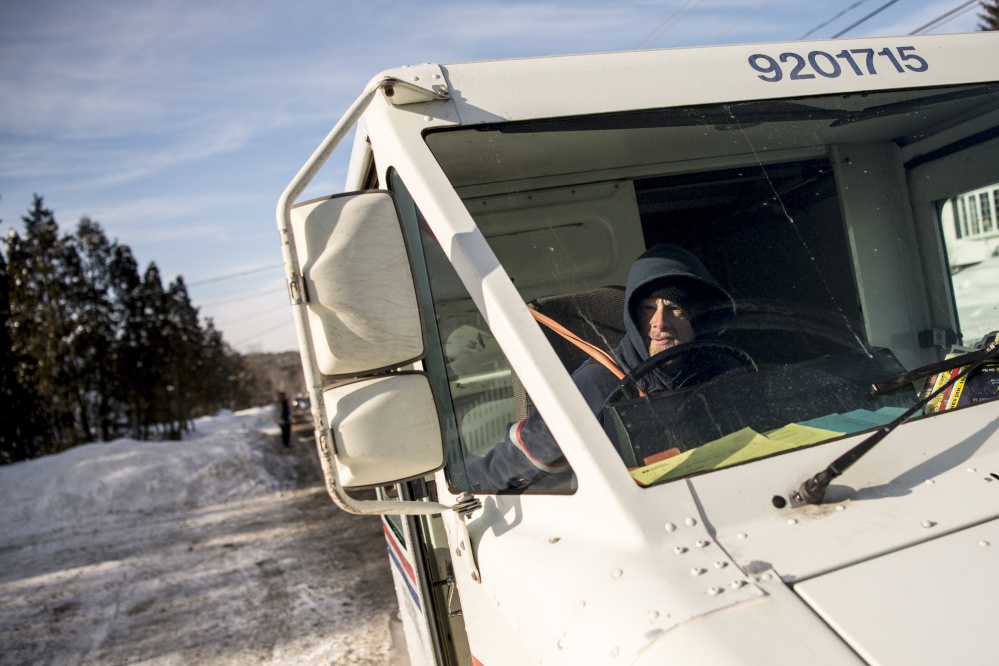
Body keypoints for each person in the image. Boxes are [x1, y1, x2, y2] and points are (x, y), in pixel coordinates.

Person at [466, 243, 739, 490]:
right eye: (647, 309)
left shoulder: (723, 368)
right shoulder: (597, 381)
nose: (659, 323)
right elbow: (521, 457)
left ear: (698, 319)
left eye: (675, 308)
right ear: (632, 316)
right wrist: (465, 488)